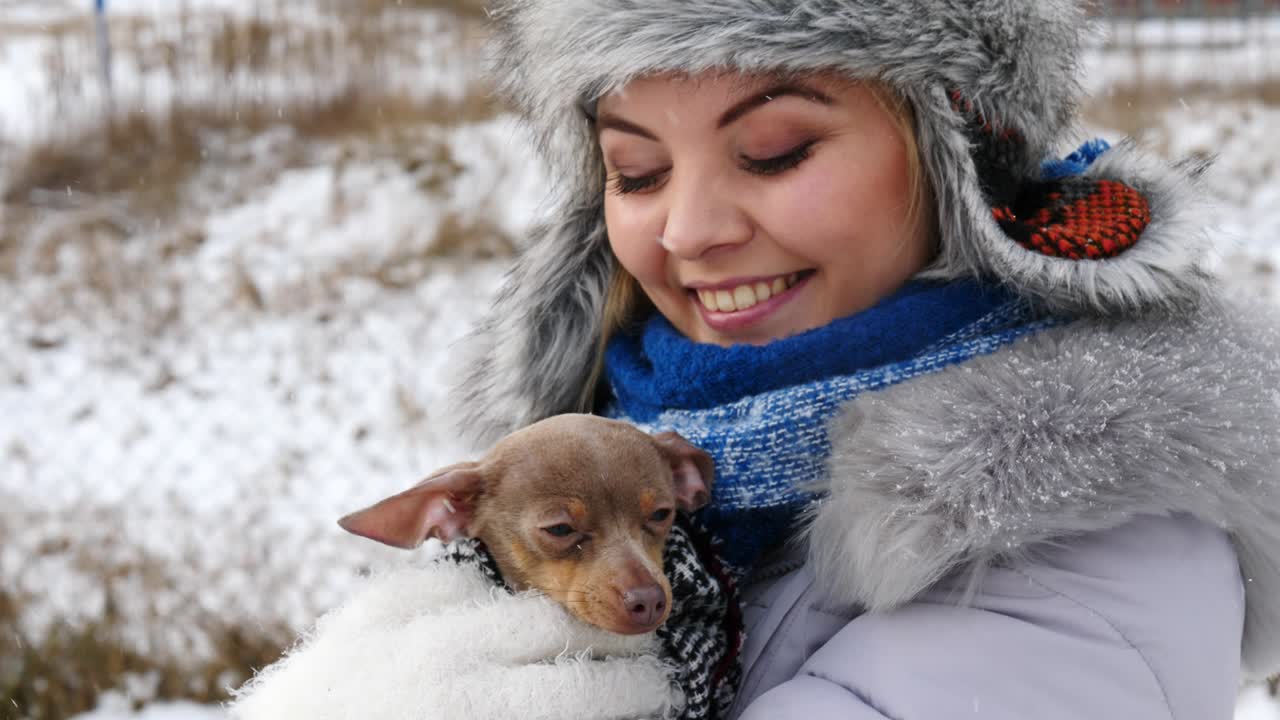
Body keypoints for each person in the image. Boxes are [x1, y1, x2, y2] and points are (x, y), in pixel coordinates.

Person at [455, 1, 1280, 718]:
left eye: (775, 150)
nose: (688, 231)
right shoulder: (608, 445)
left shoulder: (1083, 531)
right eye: (637, 173)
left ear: (959, 160)